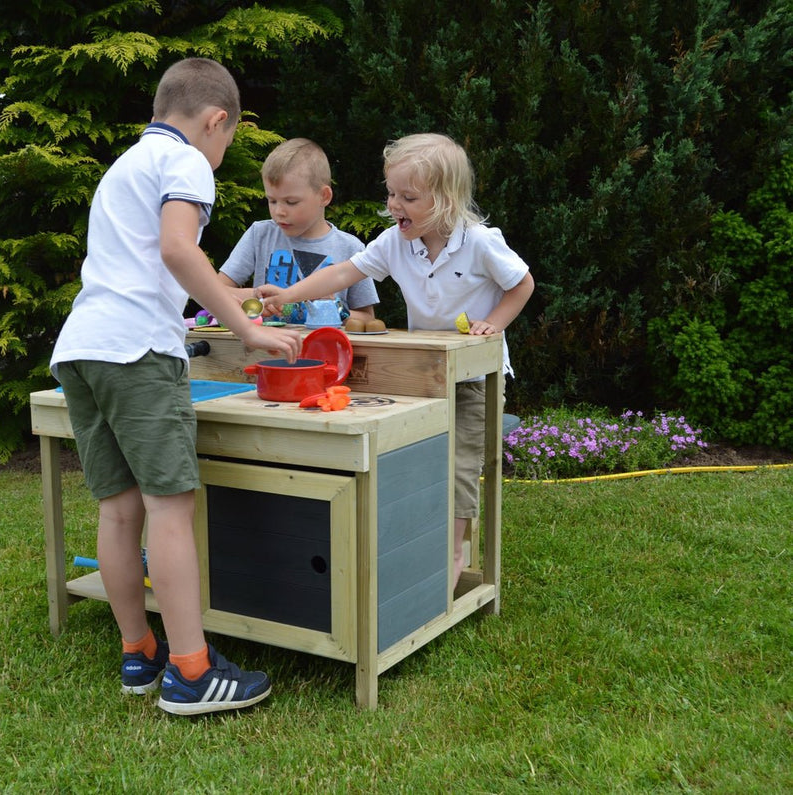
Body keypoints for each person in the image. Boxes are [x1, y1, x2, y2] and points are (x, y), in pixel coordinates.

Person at [50, 58, 302, 715]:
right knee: (168, 507)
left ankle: (141, 651)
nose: (218, 159)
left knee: (118, 508)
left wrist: (231, 292)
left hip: (84, 347)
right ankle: (191, 670)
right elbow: (175, 250)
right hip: (137, 352)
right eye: (226, 143)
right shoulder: (187, 160)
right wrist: (245, 326)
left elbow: (154, 260)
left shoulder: (125, 166)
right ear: (217, 120)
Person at [260, 133, 535, 586]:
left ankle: (452, 553)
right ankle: (413, 541)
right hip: (421, 371)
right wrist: (286, 296)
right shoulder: (394, 242)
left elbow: (521, 284)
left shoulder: (481, 242)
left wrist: (496, 323)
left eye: (408, 197)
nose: (394, 205)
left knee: (459, 461)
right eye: (391, 193)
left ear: (445, 200)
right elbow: (344, 272)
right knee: (417, 456)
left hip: (474, 377)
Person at [217, 137, 379, 325]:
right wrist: (256, 298)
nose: (279, 211)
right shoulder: (259, 235)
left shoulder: (350, 247)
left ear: (324, 196)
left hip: (325, 350)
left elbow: (368, 319)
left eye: (291, 202)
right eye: (272, 201)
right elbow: (215, 291)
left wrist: (336, 308)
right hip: (265, 349)